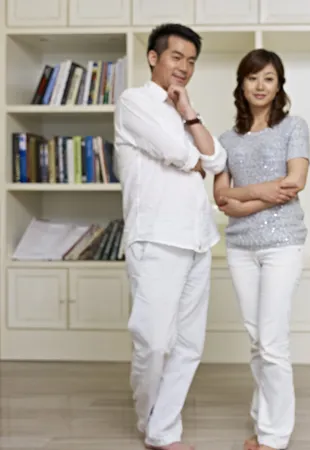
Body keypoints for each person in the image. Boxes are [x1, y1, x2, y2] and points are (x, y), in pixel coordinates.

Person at [114, 23, 227, 450]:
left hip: (198, 238)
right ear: (153, 57)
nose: (184, 67)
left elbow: (215, 159)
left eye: (192, 61)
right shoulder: (134, 102)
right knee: (154, 341)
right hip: (156, 238)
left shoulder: (183, 111)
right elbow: (179, 153)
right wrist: (194, 154)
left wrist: (190, 113)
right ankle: (149, 420)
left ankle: (163, 431)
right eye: (176, 57)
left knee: (188, 345)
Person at [213, 48, 310, 450]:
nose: (260, 85)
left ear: (278, 85)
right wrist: (266, 191)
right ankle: (263, 419)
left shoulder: (293, 126)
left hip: (282, 243)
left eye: (268, 78)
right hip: (240, 248)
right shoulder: (224, 140)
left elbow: (295, 182)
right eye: (253, 78)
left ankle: (274, 435)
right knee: (258, 341)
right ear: (241, 84)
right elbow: (220, 198)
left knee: (272, 342)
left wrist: (242, 197)